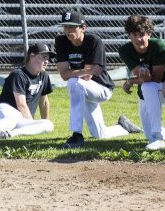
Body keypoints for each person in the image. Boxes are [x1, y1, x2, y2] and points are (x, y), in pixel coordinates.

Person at [55, 10, 141, 149]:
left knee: (73, 82)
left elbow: (87, 77)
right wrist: (85, 71)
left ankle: (76, 135)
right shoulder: (61, 41)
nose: (68, 30)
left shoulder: (93, 41)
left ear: (83, 28)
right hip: (83, 88)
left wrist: (80, 72)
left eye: (72, 27)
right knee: (100, 135)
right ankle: (124, 127)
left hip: (102, 88)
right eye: (66, 26)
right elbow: (64, 75)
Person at [119, 14, 165, 151]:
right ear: (129, 35)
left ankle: (158, 137)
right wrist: (136, 79)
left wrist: (130, 81)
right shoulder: (125, 50)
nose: (139, 39)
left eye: (142, 34)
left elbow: (154, 78)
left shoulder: (157, 45)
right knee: (148, 135)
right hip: (145, 93)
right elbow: (143, 77)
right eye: (134, 35)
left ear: (149, 33)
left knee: (149, 87)